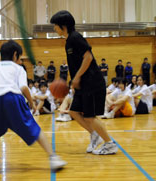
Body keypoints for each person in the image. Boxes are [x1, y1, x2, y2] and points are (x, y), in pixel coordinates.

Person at [0, 40, 66, 172]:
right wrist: (31, 103)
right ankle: (53, 158)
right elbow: (24, 87)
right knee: (33, 127)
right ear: (15, 55)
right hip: (12, 99)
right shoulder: (18, 69)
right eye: (20, 57)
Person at [51, 10, 118, 155]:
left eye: (55, 26)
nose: (54, 29)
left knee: (90, 116)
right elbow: (76, 64)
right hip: (82, 84)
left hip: (91, 82)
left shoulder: (75, 38)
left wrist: (77, 78)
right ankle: (94, 134)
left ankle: (109, 143)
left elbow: (88, 57)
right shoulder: (68, 41)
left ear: (63, 26)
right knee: (74, 111)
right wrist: (74, 82)